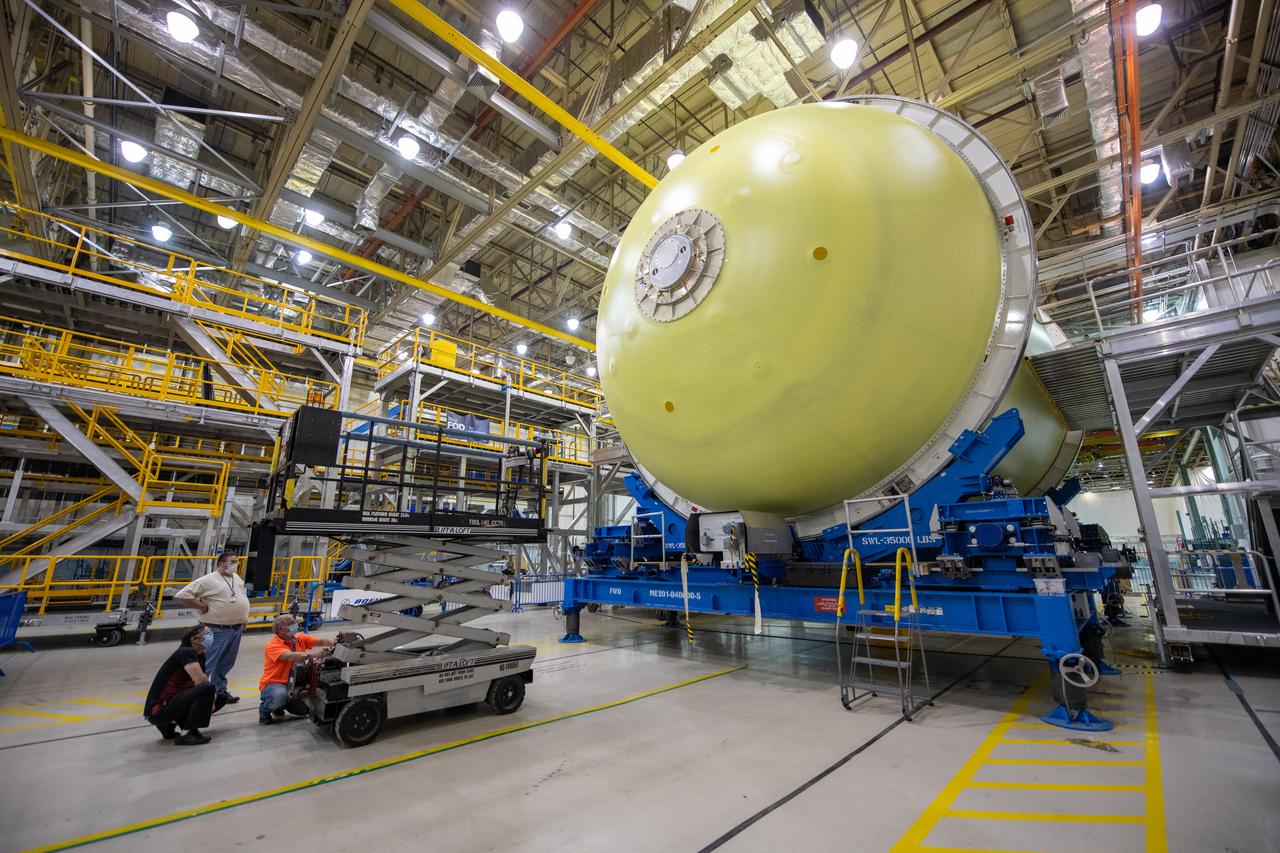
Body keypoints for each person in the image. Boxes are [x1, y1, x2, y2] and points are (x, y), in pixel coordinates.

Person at [174, 551, 249, 706]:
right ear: (221, 564)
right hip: (216, 629)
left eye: (237, 562)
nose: (235, 564)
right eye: (232, 561)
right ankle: (196, 694)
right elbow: (182, 595)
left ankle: (220, 691)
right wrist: (201, 605)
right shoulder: (208, 580)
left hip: (236, 629)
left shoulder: (237, 579)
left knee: (226, 662)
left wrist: (244, 617)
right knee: (207, 663)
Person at [142, 625, 227, 745]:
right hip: (159, 709)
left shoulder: (200, 655)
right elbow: (201, 681)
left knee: (221, 697)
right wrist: (211, 698)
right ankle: (187, 733)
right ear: (194, 639)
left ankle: (170, 725)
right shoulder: (186, 652)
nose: (211, 637)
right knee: (207, 689)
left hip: (173, 701)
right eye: (207, 634)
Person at [259, 614, 337, 726]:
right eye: (290, 623)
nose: (294, 624)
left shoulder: (300, 638)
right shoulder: (272, 645)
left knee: (304, 710)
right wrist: (313, 655)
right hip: (275, 684)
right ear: (280, 629)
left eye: (294, 621)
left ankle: (281, 705)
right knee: (280, 696)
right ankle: (264, 710)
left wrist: (333, 642)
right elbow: (290, 656)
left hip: (295, 684)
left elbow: (320, 642)